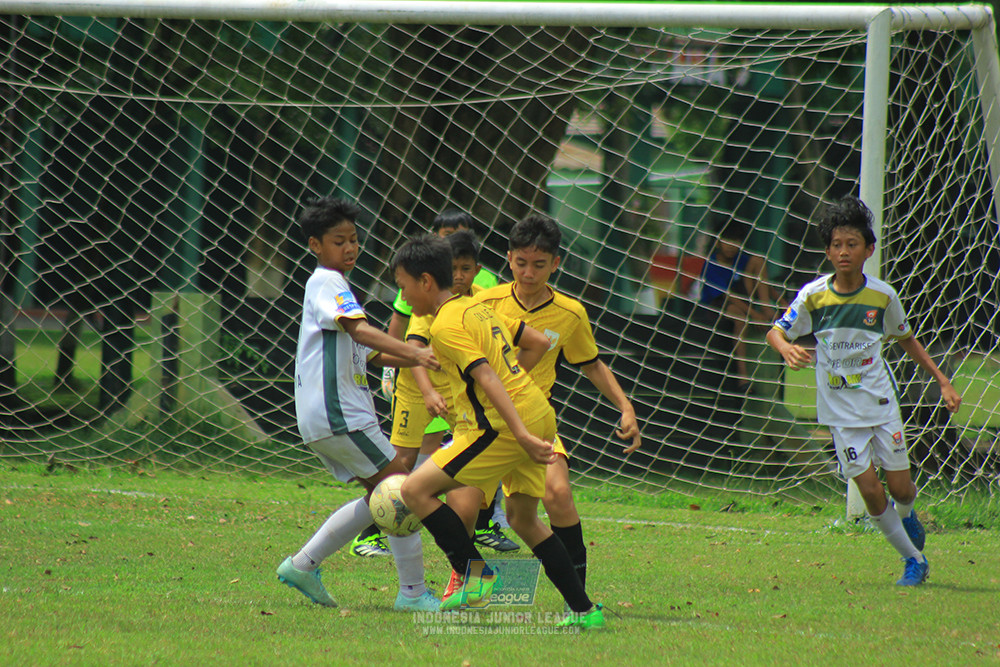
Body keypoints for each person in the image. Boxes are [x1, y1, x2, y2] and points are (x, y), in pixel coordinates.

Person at [394, 234, 605, 630]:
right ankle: (584, 610)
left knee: (414, 490)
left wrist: (519, 433)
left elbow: (487, 376)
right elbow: (536, 341)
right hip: (537, 410)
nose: (402, 296)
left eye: (403, 286)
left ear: (425, 281)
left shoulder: (445, 324)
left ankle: (474, 576)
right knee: (522, 518)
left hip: (502, 425)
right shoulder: (475, 306)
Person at [766, 196, 962, 586]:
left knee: (901, 489)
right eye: (836, 245)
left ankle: (906, 515)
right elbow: (775, 331)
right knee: (871, 492)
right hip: (840, 414)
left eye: (852, 244)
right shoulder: (813, 296)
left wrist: (942, 380)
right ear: (827, 252)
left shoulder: (883, 296)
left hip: (880, 404)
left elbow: (907, 340)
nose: (843, 252)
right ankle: (914, 560)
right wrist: (786, 347)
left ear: (868, 250)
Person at [274, 197, 441, 612]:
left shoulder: (336, 287)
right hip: (338, 414)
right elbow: (361, 332)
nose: (349, 248)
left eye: (353, 239)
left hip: (329, 417)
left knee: (383, 495)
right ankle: (412, 594)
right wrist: (416, 352)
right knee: (403, 489)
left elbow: (372, 354)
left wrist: (427, 357)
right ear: (315, 245)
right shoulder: (327, 282)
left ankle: (303, 565)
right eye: (339, 241)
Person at [473, 214, 641, 594]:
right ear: (509, 258)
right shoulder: (485, 303)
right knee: (474, 511)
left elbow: (592, 364)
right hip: (485, 423)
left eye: (539, 264)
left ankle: (577, 599)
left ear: (556, 263)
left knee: (557, 496)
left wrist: (626, 407)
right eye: (521, 263)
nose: (528, 273)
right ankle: (445, 588)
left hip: (535, 421)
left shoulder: (570, 313)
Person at [357, 210, 515, 557]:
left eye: (466, 269)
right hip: (417, 388)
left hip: (456, 390)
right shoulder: (428, 304)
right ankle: (370, 531)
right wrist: (424, 389)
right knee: (402, 460)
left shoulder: (483, 297)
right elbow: (411, 345)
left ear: (477, 269)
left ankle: (477, 532)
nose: (459, 275)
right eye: (453, 268)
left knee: (472, 457)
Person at [689, 220, 786, 392]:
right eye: (727, 241)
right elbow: (728, 297)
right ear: (717, 242)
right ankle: (742, 376)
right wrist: (754, 315)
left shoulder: (741, 260)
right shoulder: (711, 264)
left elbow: (761, 282)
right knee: (738, 316)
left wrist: (782, 303)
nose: (731, 246)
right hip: (719, 306)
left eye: (736, 241)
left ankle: (767, 310)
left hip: (745, 299)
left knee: (758, 261)